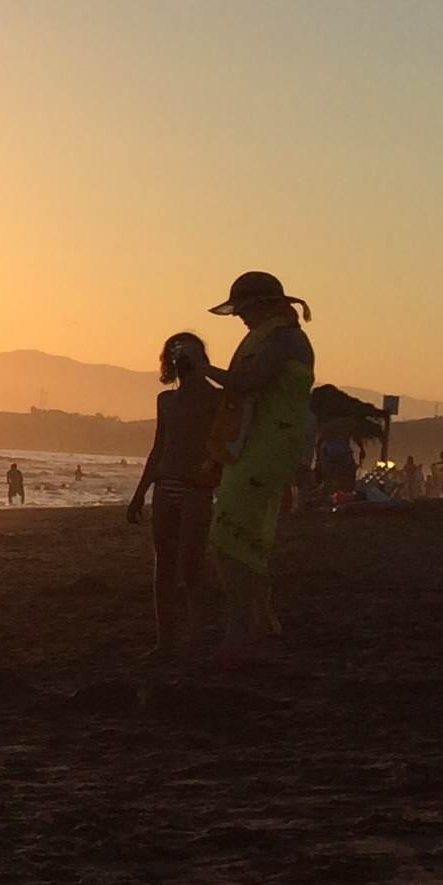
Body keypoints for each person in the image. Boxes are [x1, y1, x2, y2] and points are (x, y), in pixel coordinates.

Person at [201, 271, 315, 663]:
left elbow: (247, 382)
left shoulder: (285, 339)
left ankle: (241, 629)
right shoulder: (270, 337)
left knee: (232, 537)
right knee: (240, 537)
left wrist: (204, 369)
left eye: (244, 310)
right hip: (254, 445)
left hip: (267, 447)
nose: (240, 318)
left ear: (264, 306)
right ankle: (254, 623)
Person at [126, 332, 222, 661]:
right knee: (164, 565)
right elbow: (158, 447)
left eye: (187, 355)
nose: (180, 362)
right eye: (175, 355)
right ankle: (165, 641)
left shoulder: (216, 399)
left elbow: (225, 443)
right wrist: (140, 493)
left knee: (192, 566)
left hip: (197, 488)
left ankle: (195, 640)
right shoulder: (166, 400)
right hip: (165, 486)